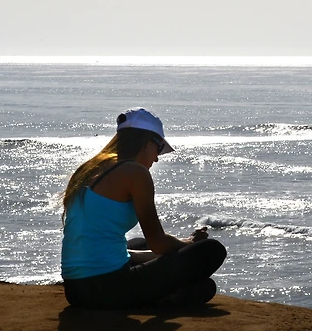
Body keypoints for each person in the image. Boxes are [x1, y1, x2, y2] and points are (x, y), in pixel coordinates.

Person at [61, 108, 226, 309]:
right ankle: (152, 302)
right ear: (147, 143)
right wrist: (188, 243)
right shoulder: (135, 173)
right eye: (159, 149)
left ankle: (160, 294)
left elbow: (111, 248)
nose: (157, 158)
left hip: (76, 289)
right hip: (105, 289)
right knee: (212, 251)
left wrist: (179, 247)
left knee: (138, 243)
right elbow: (158, 243)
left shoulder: (91, 168)